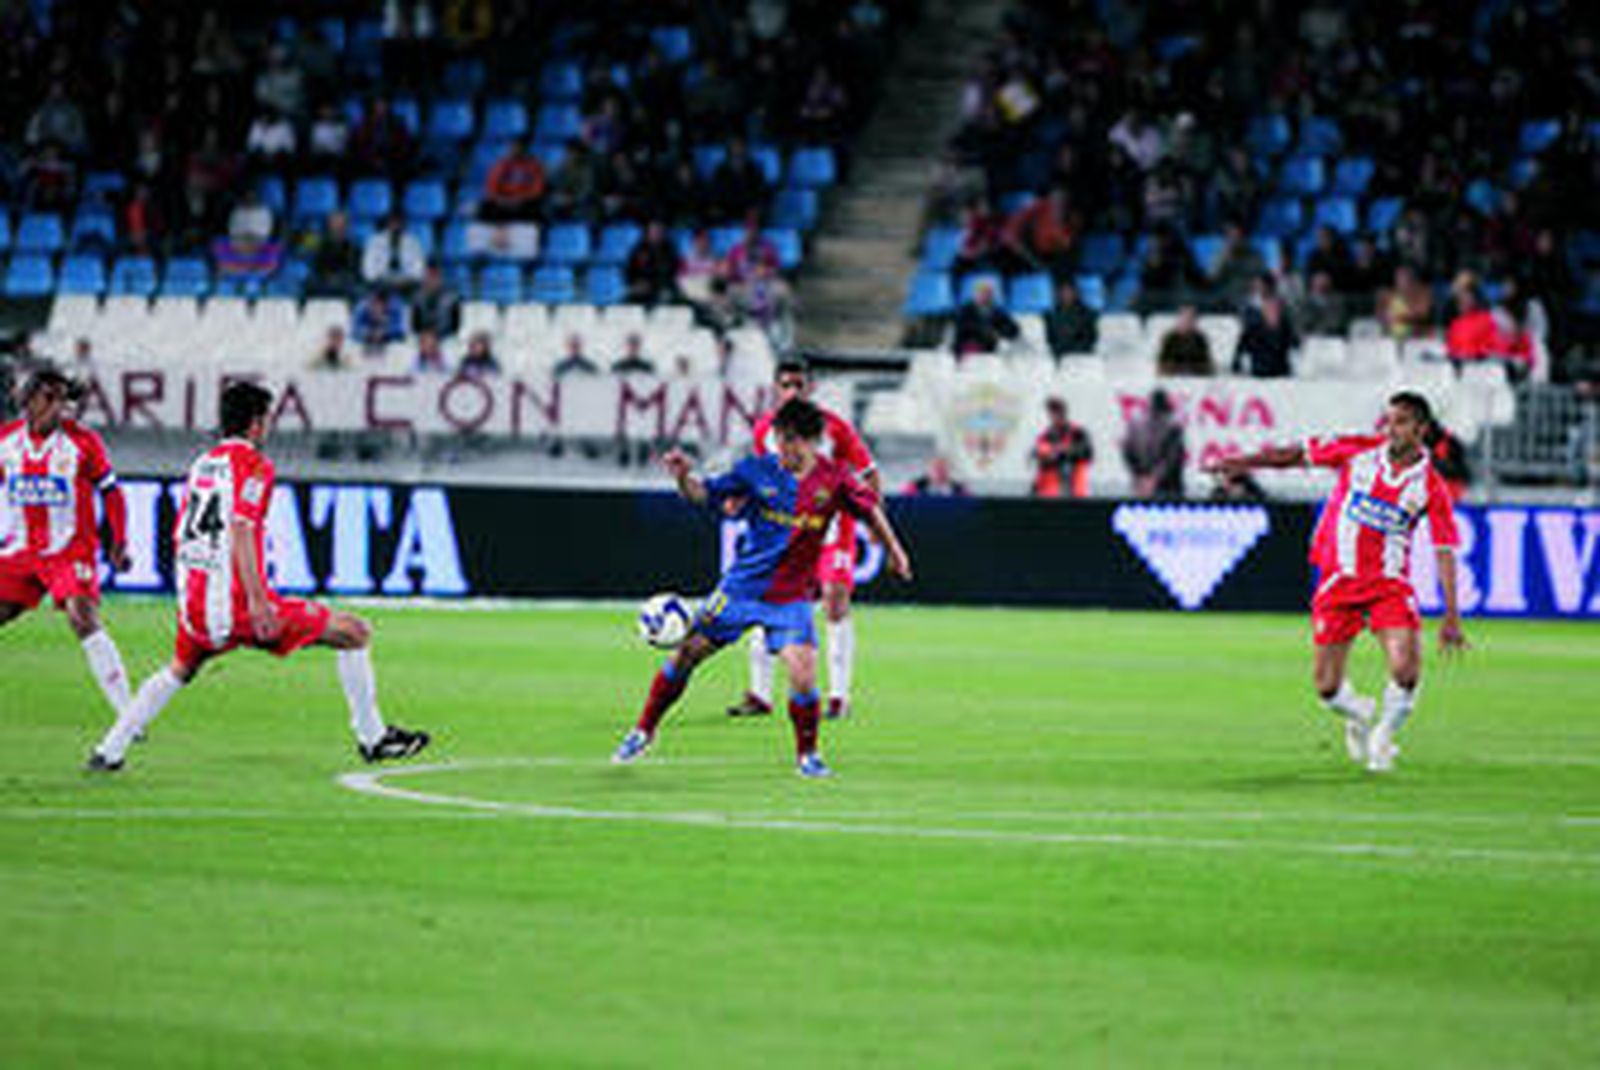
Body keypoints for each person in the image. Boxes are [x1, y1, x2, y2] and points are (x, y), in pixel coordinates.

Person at [87, 383, 430, 772]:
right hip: (236, 604)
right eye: (267, 419)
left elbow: (184, 530)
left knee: (180, 668)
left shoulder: (203, 463)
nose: (268, 427)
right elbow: (242, 527)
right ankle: (373, 738)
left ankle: (108, 750)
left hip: (196, 602)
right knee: (355, 632)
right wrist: (257, 599)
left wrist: (190, 594)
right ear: (255, 423)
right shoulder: (254, 465)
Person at [611, 397, 912, 778]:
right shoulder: (755, 471)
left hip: (790, 600)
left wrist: (895, 550)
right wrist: (683, 478)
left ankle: (808, 756)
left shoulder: (835, 478)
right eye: (779, 439)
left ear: (813, 441)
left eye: (792, 441)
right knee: (687, 653)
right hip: (741, 590)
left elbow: (871, 510)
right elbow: (703, 494)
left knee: (803, 675)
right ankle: (643, 731)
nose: (783, 449)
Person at [1205, 392, 1467, 773]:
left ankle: (1383, 736)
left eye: (1401, 422)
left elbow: (1444, 548)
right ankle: (1358, 714)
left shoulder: (1430, 486)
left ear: (1421, 430)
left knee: (1406, 670)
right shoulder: (1358, 452)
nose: (1390, 429)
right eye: (1388, 420)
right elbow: (1295, 455)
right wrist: (1240, 464)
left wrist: (1452, 615)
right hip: (1339, 580)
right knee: (1326, 687)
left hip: (1388, 586)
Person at [729, 360, 880, 723]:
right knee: (765, 599)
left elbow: (869, 472)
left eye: (798, 384)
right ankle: (759, 694)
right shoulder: (765, 428)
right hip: (784, 530)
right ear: (776, 389)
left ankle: (839, 696)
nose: (792, 391)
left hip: (829, 526)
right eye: (785, 385)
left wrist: (874, 521)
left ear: (809, 389)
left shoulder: (835, 427)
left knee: (834, 600)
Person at [0, 370, 134, 728]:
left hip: (69, 552)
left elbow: (112, 492)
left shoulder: (82, 442)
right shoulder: (6, 442)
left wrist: (118, 541)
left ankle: (129, 715)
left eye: (62, 399)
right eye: (49, 398)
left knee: (81, 616)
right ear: (27, 401)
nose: (58, 407)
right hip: (20, 552)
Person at [1122, 389, 1186, 498]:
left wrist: (1139, 476)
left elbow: (1127, 451)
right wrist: (1153, 479)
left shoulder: (1134, 425)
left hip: (1141, 486)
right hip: (1168, 488)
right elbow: (1172, 459)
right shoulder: (1173, 427)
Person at [1031, 397, 1094, 498]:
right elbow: (1039, 459)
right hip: (1049, 493)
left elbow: (1088, 453)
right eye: (1050, 413)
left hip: (1075, 492)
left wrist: (1063, 451)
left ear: (1062, 413)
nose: (1051, 417)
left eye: (1054, 413)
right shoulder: (1045, 436)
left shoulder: (1078, 433)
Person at [361, 214, 427, 293]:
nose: (395, 226)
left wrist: (406, 281)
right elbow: (367, 268)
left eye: (398, 223)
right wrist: (380, 279)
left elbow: (419, 269)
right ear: (388, 224)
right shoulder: (375, 241)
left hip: (406, 285)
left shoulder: (413, 242)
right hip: (381, 283)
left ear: (403, 224)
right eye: (393, 223)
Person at [952, 281, 1019, 356]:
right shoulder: (966, 310)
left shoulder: (996, 311)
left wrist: (1003, 332)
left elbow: (1013, 329)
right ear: (975, 294)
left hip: (990, 352)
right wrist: (985, 330)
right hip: (969, 350)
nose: (983, 296)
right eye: (980, 293)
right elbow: (962, 330)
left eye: (986, 294)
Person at [1044, 279, 1098, 357]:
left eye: (1069, 291)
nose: (1066, 295)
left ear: (1075, 293)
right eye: (1063, 292)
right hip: (1060, 355)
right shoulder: (1050, 315)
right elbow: (1051, 339)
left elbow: (1090, 338)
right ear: (1057, 294)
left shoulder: (1086, 313)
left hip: (1082, 355)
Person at [1156, 305, 1214, 376]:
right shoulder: (1170, 338)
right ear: (1179, 319)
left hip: (1195, 378)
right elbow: (1162, 365)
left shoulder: (1199, 339)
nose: (1187, 322)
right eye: (1184, 318)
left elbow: (1206, 364)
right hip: (1173, 377)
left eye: (1191, 319)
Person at [901, 456, 968, 497]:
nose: (938, 471)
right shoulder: (914, 486)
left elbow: (969, 505)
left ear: (949, 470)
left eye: (942, 468)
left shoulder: (960, 489)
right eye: (935, 468)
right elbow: (903, 503)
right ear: (928, 469)